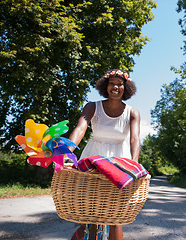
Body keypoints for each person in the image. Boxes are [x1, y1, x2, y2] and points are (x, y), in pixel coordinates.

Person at [68, 69, 141, 240]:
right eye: (112, 83)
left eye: (120, 84)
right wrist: (67, 151)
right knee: (88, 214)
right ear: (105, 86)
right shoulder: (92, 107)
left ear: (126, 87)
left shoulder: (132, 113)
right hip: (93, 158)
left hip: (119, 162)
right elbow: (80, 128)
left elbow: (135, 139)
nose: (116, 86)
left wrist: (135, 163)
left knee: (116, 217)